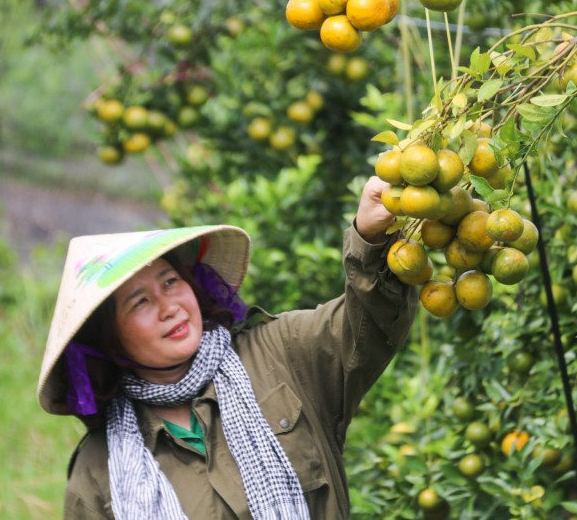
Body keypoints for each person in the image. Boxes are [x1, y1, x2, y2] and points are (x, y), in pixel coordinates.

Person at [37, 176, 418, 519]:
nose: (169, 306)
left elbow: (368, 322)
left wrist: (371, 238)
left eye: (170, 281)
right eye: (140, 302)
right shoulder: (97, 474)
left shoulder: (280, 353)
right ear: (109, 339)